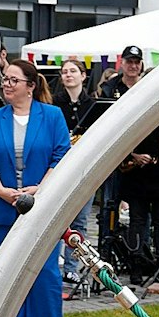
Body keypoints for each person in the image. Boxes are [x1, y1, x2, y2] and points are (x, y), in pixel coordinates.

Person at [0, 58, 71, 317]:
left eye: (13, 80)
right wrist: (1, 190)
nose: (6, 84)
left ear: (30, 87)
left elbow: (62, 156)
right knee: (5, 270)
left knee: (45, 270)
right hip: (2, 206)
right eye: (5, 79)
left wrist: (42, 188)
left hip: (43, 205)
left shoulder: (53, 116)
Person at [100, 44, 159, 281]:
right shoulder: (111, 89)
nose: (133, 66)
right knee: (136, 220)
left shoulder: (158, 91)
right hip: (133, 169)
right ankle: (136, 266)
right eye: (129, 61)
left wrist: (153, 155)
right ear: (122, 63)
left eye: (137, 62)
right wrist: (132, 157)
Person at [52, 58, 100, 252]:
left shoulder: (93, 105)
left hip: (84, 167)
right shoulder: (54, 103)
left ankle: (73, 267)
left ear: (83, 76)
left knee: (80, 220)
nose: (68, 75)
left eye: (73, 71)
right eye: (65, 72)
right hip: (59, 167)